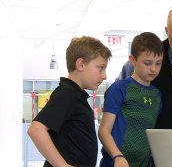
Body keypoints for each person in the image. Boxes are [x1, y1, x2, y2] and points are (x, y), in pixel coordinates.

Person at [27, 36, 112, 167]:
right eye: (100, 68)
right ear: (81, 64)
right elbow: (36, 130)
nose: (104, 75)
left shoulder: (76, 95)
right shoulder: (68, 93)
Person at [98, 32, 164, 167]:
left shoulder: (157, 95)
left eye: (158, 63)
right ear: (133, 60)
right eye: (147, 63)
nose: (153, 69)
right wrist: (117, 156)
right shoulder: (119, 89)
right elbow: (104, 131)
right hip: (115, 163)